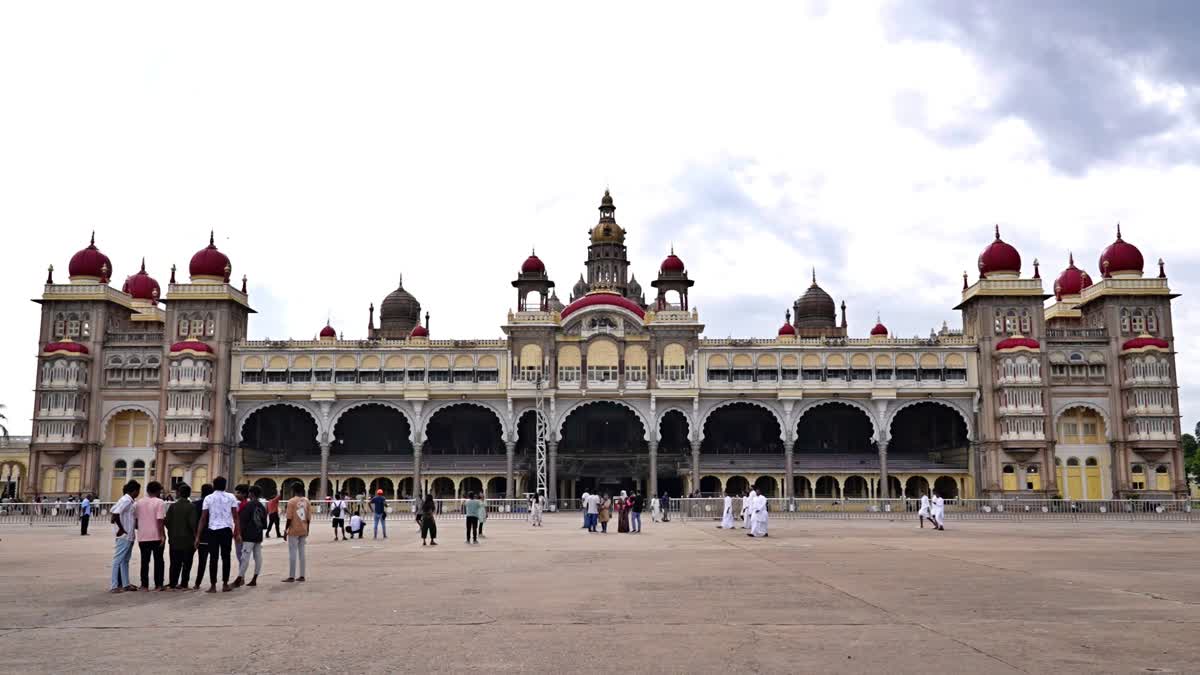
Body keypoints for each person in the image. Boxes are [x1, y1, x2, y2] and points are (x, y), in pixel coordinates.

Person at [196, 476, 240, 593]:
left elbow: (203, 518)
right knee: (226, 558)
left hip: (212, 530)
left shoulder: (208, 498)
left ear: (214, 485)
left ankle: (213, 586)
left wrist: (198, 536)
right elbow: (236, 517)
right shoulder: (231, 497)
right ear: (225, 485)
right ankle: (225, 584)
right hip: (226, 530)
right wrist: (238, 533)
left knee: (213, 558)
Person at [135, 481, 168, 591]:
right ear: (158, 491)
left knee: (144, 561)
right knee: (159, 561)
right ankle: (159, 584)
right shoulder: (160, 502)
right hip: (156, 536)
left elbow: (136, 520)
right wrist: (163, 535)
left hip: (143, 536)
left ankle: (144, 585)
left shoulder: (138, 502)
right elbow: (160, 520)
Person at [109, 480, 140, 593]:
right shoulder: (126, 500)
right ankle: (114, 585)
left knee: (125, 560)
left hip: (128, 534)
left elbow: (113, 513)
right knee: (118, 560)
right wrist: (121, 529)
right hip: (125, 535)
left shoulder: (126, 500)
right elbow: (115, 514)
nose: (138, 493)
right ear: (134, 491)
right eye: (137, 491)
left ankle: (126, 584)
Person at [165, 484, 196, 591]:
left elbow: (167, 522)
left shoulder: (173, 506)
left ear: (179, 493)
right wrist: (196, 537)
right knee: (187, 563)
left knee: (174, 563)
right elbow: (193, 524)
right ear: (189, 494)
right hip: (188, 540)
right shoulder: (191, 507)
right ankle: (184, 583)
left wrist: (172, 531)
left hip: (174, 539)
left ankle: (173, 583)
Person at [234, 485, 267, 588]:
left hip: (248, 535)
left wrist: (239, 534)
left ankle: (239, 578)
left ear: (251, 494)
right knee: (258, 557)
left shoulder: (248, 505)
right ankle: (254, 578)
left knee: (245, 557)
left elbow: (242, 521)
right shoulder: (262, 506)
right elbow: (264, 524)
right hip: (258, 535)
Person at [283, 482, 311, 582]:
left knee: (292, 553)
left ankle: (291, 576)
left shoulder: (291, 502)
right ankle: (302, 575)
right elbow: (308, 518)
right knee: (302, 553)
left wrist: (285, 530)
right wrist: (307, 529)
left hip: (294, 530)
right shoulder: (307, 501)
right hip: (303, 529)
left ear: (293, 490)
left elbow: (289, 518)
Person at [193, 484, 214, 589]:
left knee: (202, 561)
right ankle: (213, 584)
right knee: (213, 561)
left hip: (199, 535)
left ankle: (197, 583)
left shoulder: (195, 504)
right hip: (213, 535)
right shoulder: (214, 504)